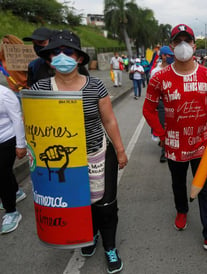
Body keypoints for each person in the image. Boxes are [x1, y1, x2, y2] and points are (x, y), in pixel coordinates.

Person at [32, 30, 127, 274]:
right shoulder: (41, 89)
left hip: (96, 155)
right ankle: (89, 236)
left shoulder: (95, 86)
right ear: (49, 59)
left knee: (105, 204)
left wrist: (120, 150)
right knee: (78, 203)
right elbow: (34, 125)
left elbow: (110, 121)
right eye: (55, 52)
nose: (61, 56)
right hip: (61, 161)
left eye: (68, 51)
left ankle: (110, 246)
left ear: (80, 58)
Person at [142, 24, 207, 254]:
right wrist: (161, 135)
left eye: (187, 40)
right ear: (172, 46)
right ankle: (182, 210)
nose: (183, 45)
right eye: (177, 41)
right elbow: (148, 110)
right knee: (178, 183)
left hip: (202, 144)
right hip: (174, 145)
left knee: (205, 189)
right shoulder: (159, 78)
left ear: (194, 45)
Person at [0, 84, 27, 234]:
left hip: (7, 140)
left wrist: (20, 145)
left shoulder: (4, 94)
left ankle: (11, 212)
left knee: (1, 174)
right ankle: (16, 192)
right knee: (5, 171)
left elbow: (17, 120)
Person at [150, 45, 175, 163]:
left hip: (174, 101)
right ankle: (164, 152)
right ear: (163, 56)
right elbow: (152, 89)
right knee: (163, 127)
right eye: (168, 55)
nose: (170, 57)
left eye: (171, 55)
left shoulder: (175, 68)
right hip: (161, 102)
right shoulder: (155, 71)